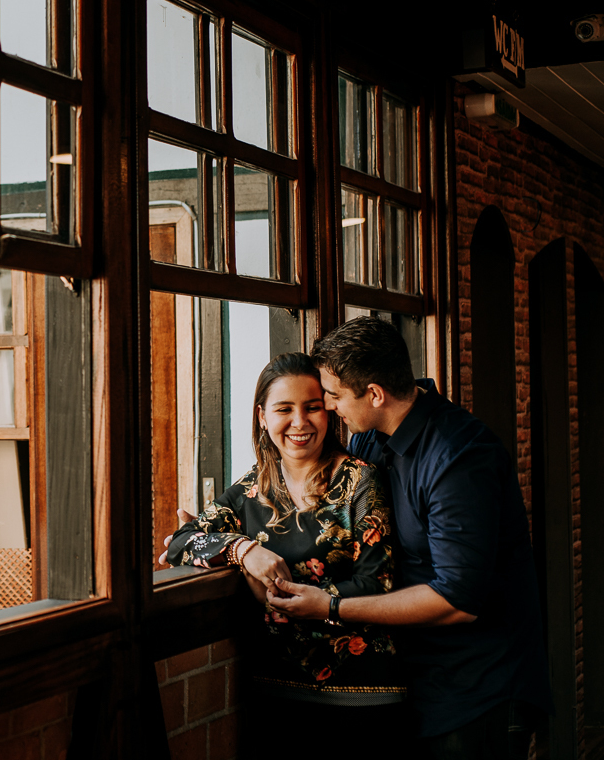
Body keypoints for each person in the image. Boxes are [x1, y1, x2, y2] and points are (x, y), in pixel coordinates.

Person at [266, 316, 550, 759]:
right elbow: (318, 500)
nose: (332, 408)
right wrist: (232, 533)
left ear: (375, 393)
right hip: (414, 683)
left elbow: (458, 600)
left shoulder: (460, 458)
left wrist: (331, 606)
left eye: (334, 397)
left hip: (479, 690)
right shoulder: (369, 438)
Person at [160, 352, 410, 757]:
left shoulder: (361, 482)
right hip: (275, 690)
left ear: (329, 412)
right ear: (262, 416)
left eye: (313, 408)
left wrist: (280, 601)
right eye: (284, 409)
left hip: (363, 695)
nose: (300, 422)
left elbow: (377, 585)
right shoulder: (251, 489)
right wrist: (244, 550)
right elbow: (178, 544)